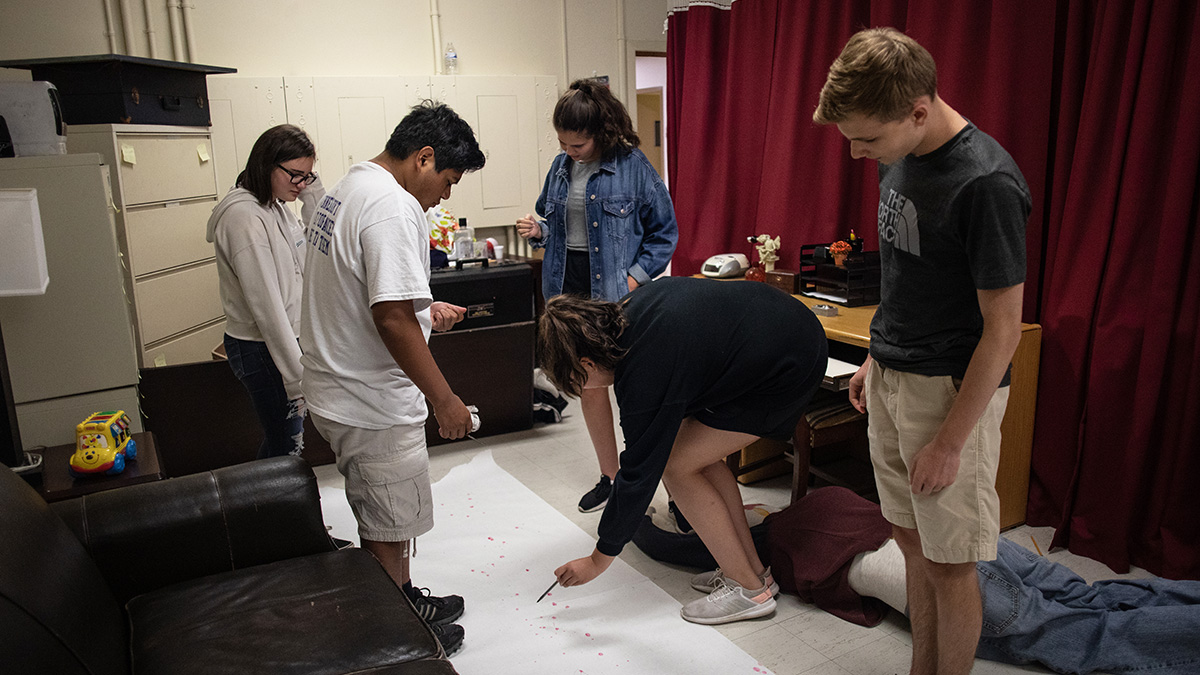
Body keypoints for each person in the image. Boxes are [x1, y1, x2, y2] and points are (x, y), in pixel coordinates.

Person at [813, 27, 1030, 675]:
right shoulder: (897, 151)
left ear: (919, 109)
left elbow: (1004, 329)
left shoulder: (986, 183)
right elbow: (907, 271)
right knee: (910, 543)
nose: (856, 153)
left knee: (951, 562)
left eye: (867, 138)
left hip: (949, 393)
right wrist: (878, 357)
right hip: (893, 373)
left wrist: (950, 441)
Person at [299, 101, 485, 655]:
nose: (446, 196)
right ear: (423, 158)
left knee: (386, 507)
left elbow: (371, 298)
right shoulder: (392, 207)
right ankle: (394, 637)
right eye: (448, 180)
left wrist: (426, 313)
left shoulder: (349, 186)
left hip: (338, 384)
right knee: (385, 519)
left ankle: (402, 596)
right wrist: (445, 400)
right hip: (369, 399)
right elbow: (391, 317)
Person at [539, 277, 827, 624]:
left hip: (785, 364)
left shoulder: (643, 366)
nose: (585, 390)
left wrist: (598, 559)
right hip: (785, 334)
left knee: (675, 466)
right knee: (693, 457)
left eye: (577, 383)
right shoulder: (626, 316)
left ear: (586, 363)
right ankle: (753, 573)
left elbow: (639, 470)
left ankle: (748, 590)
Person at [517, 78, 678, 514]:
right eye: (563, 143)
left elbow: (665, 232)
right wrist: (538, 231)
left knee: (633, 389)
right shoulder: (559, 167)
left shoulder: (633, 166)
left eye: (579, 144)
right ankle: (612, 478)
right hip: (567, 293)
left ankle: (663, 484)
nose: (571, 151)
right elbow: (555, 226)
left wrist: (633, 280)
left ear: (602, 131)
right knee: (590, 387)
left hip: (616, 296)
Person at [207, 124, 324, 460]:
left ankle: (265, 508)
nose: (301, 184)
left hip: (286, 340)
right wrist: (296, 376)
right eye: (296, 176)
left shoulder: (274, 206)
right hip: (262, 347)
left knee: (285, 442)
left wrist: (313, 195)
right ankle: (265, 510)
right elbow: (267, 307)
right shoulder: (244, 217)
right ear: (268, 164)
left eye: (308, 176)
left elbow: (315, 250)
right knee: (285, 445)